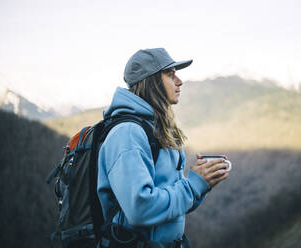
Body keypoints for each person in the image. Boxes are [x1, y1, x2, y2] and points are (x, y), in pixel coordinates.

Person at [97, 48, 229, 248]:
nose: (179, 81)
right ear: (152, 81)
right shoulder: (128, 133)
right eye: (170, 74)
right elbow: (140, 209)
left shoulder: (158, 130)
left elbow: (171, 206)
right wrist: (191, 186)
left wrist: (202, 183)